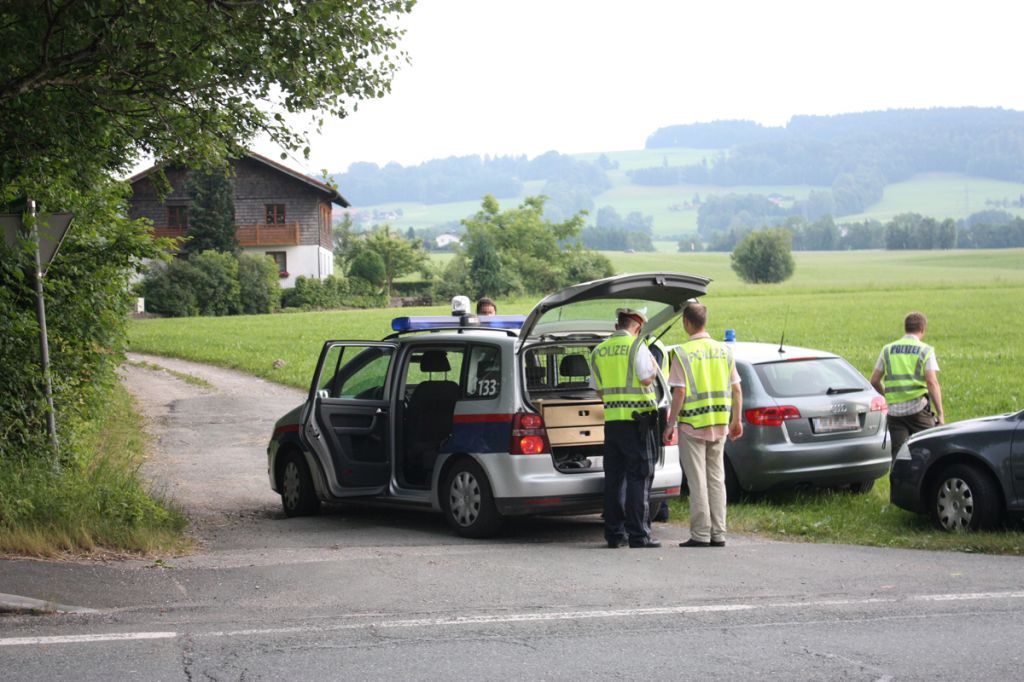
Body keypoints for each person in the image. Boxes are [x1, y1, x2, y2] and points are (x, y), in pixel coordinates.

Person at [663, 303, 742, 548]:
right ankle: (719, 533)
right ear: (704, 321)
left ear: (686, 322)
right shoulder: (724, 351)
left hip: (692, 425)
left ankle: (700, 534)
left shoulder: (682, 353)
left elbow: (679, 393)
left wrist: (670, 424)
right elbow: (737, 389)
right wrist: (736, 420)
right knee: (717, 479)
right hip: (719, 423)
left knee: (698, 481)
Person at [591, 307, 661, 548]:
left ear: (616, 325)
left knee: (613, 479)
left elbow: (598, 389)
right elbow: (646, 378)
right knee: (638, 478)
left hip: (612, 423)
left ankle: (613, 534)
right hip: (637, 423)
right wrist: (653, 364)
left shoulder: (599, 351)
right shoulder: (637, 346)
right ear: (638, 327)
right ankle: (639, 535)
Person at [869, 311, 944, 458]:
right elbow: (932, 382)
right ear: (922, 329)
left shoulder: (887, 349)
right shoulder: (925, 350)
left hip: (894, 413)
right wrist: (940, 414)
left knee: (900, 456)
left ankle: (900, 473)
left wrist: (888, 398)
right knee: (933, 448)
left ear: (905, 328)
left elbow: (874, 381)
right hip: (918, 410)